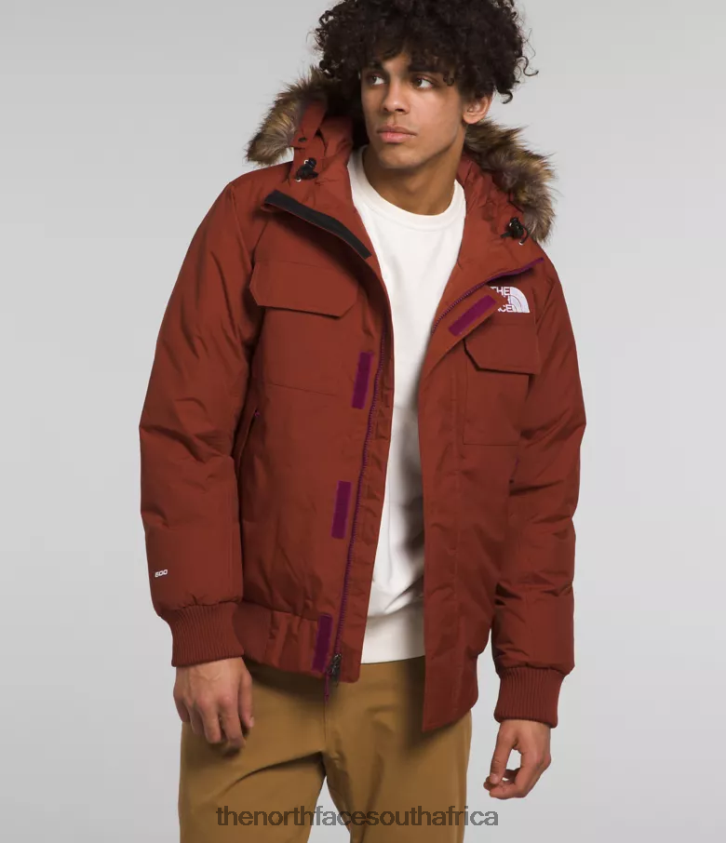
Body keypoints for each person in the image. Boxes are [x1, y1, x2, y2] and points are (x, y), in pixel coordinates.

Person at [138, 0, 587, 839]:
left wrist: (531, 685)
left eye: (425, 80)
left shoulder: (520, 277)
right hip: (258, 667)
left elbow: (538, 498)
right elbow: (185, 434)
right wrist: (202, 635)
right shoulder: (259, 218)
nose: (393, 100)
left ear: (476, 100)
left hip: (422, 686)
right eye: (377, 76)